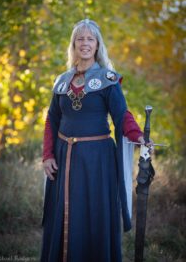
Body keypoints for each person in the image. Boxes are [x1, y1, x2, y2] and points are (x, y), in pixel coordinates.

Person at [40, 19, 150, 262]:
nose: (85, 43)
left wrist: (139, 136)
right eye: (80, 38)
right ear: (74, 44)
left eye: (90, 39)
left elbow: (122, 116)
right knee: (65, 216)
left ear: (98, 45)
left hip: (97, 162)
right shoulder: (62, 81)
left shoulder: (108, 79)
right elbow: (52, 119)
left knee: (93, 216)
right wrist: (47, 155)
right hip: (64, 160)